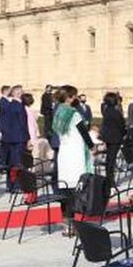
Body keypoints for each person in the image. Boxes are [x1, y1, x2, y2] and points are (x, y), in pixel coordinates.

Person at [53, 86, 94, 237]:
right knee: (74, 191)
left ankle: (66, 223)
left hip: (64, 152)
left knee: (65, 189)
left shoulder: (58, 111)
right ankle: (72, 224)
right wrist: (92, 146)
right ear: (70, 97)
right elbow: (83, 132)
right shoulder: (73, 113)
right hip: (75, 153)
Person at [99, 92, 126, 188]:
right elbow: (121, 125)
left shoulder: (106, 110)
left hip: (109, 138)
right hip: (115, 138)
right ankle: (110, 181)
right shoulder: (116, 112)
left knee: (110, 160)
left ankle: (109, 179)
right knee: (111, 160)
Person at [0, 85, 29, 171]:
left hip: (10, 139)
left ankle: (11, 183)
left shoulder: (8, 105)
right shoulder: (19, 106)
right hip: (20, 138)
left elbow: (3, 122)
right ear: (18, 94)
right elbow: (23, 123)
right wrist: (28, 138)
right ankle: (17, 183)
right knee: (18, 164)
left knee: (12, 165)